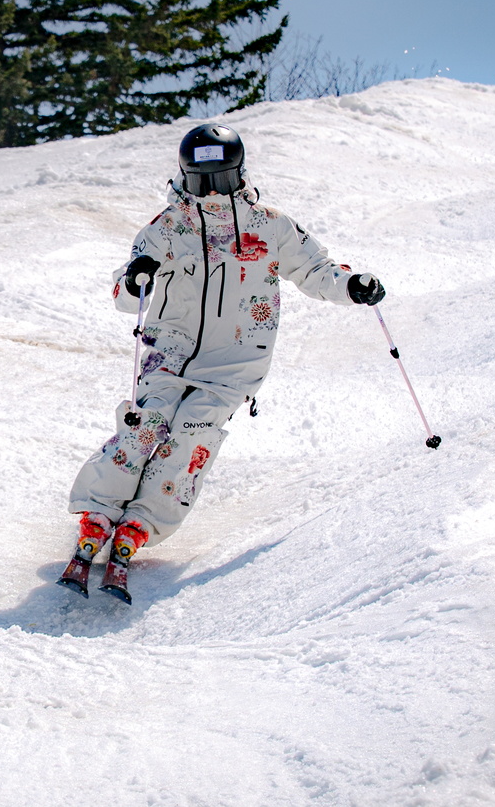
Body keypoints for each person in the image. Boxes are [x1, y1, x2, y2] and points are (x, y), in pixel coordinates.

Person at [59, 123, 387, 604]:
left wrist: (352, 285)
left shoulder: (270, 225)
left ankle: (142, 521)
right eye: (200, 182)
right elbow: (125, 295)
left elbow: (316, 269)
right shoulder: (168, 227)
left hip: (236, 361)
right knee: (145, 425)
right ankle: (99, 510)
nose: (211, 193)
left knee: (191, 436)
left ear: (239, 174)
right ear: (184, 177)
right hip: (171, 350)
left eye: (221, 180)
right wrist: (135, 278)